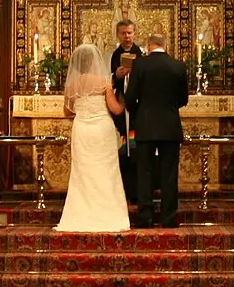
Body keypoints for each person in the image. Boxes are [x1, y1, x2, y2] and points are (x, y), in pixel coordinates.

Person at [55, 43, 129, 233]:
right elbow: (115, 109)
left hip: (82, 130)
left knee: (83, 172)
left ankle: (81, 214)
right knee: (106, 171)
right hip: (102, 130)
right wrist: (123, 99)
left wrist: (83, 111)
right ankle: (110, 214)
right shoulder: (103, 82)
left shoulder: (71, 84)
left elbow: (67, 112)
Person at [124, 31, 189, 228]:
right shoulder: (178, 66)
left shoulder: (140, 64)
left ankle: (145, 217)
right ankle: (169, 218)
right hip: (170, 126)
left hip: (145, 125)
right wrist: (168, 108)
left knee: (144, 171)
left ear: (149, 45)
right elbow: (183, 99)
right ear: (165, 45)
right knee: (169, 172)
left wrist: (140, 112)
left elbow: (129, 97)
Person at [108, 19, 143, 203]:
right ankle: (124, 188)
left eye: (130, 33)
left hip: (137, 107)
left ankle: (136, 190)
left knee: (136, 146)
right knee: (124, 146)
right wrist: (117, 75)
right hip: (122, 104)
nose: (127, 36)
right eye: (123, 33)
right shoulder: (116, 55)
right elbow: (111, 79)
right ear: (118, 34)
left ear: (134, 33)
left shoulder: (140, 53)